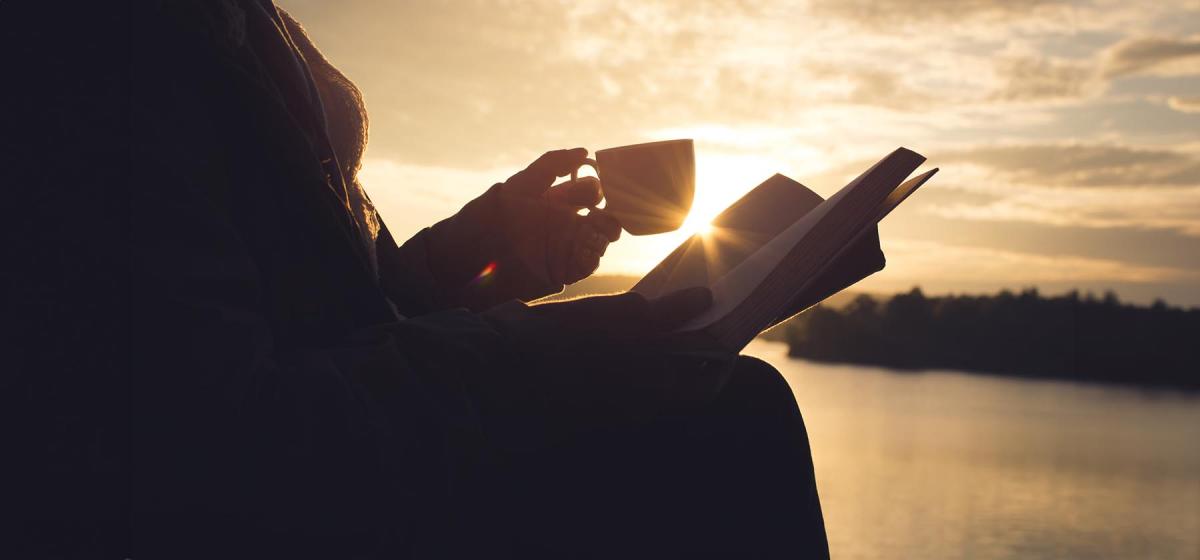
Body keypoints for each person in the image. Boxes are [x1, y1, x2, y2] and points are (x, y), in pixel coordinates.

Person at [4, 1, 828, 558]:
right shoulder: (94, 40)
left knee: (728, 406)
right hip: (298, 502)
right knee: (732, 417)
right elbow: (212, 434)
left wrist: (483, 250)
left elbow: (334, 309)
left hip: (345, 451)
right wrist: (540, 357)